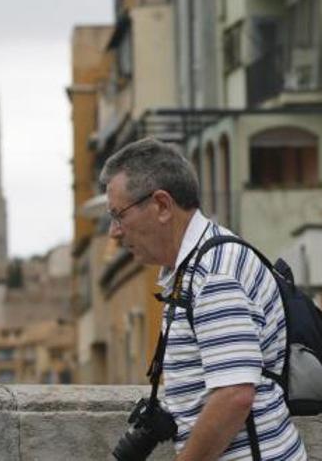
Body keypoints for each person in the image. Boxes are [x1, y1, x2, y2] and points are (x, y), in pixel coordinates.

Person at [101, 138, 306, 461]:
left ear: (163, 206)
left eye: (118, 215)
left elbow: (234, 394)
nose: (114, 232)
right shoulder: (196, 265)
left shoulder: (214, 274)